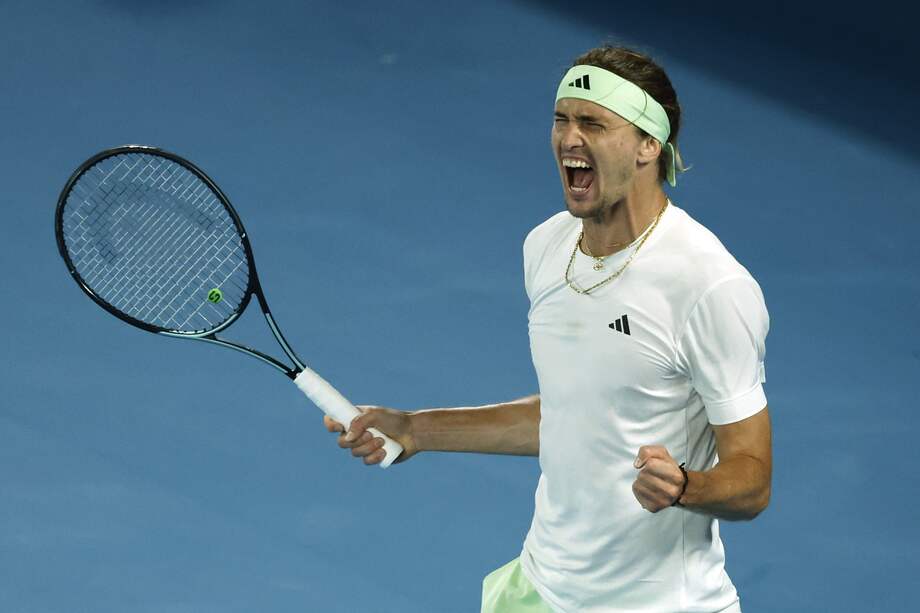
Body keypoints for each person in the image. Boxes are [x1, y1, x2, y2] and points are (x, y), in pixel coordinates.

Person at [323, 44, 772, 613]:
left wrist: (686, 486)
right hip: (541, 588)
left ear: (648, 146)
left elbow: (753, 478)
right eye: (562, 119)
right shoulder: (547, 248)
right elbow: (570, 415)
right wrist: (416, 428)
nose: (569, 139)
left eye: (593, 123)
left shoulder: (708, 285)